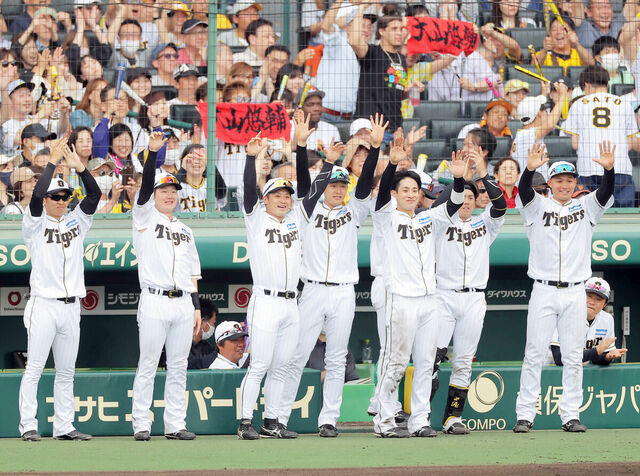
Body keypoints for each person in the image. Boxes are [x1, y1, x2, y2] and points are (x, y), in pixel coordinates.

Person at [279, 113, 384, 438]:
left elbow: (365, 183)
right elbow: (301, 180)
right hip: (311, 290)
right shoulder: (309, 209)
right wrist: (301, 146)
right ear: (325, 186)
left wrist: (376, 150)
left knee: (337, 357)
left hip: (342, 292)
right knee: (298, 354)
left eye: (342, 185)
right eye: (334, 185)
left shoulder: (354, 210)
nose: (338, 190)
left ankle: (329, 419)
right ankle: (280, 417)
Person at [237, 114, 335, 440]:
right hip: (265, 300)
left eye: (286, 195)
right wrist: (252, 159)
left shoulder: (296, 218)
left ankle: (272, 422)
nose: (283, 198)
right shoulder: (256, 218)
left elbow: (307, 189)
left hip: (291, 303)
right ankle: (245, 422)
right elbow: (249, 194)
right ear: (265, 199)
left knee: (282, 365)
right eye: (276, 194)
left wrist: (301, 146)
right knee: (260, 363)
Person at [513, 141, 615, 434]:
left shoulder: (586, 208)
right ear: (550, 183)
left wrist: (609, 170)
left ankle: (570, 415)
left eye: (569, 180)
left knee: (572, 356)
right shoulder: (536, 206)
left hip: (574, 291)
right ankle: (525, 415)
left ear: (575, 183)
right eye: (558, 180)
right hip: (543, 288)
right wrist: (529, 169)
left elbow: (605, 193)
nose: (564, 185)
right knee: (533, 353)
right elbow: (522, 192)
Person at [371, 138, 467, 438]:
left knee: (426, 362)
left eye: (415, 190)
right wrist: (392, 164)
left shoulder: (429, 218)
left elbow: (453, 202)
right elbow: (380, 199)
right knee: (395, 362)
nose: (411, 194)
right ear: (394, 194)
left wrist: (460, 178)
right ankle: (385, 421)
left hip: (429, 301)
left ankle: (420, 420)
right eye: (405, 190)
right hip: (401, 299)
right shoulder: (386, 217)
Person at [18, 137, 101, 441]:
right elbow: (38, 192)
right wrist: (52, 162)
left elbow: (94, 195)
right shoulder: (35, 224)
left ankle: (63, 426)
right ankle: (28, 425)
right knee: (36, 367)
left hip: (71, 306)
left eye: (65, 196)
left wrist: (81, 169)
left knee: (67, 371)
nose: (61, 201)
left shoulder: (76, 221)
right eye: (56, 196)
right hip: (44, 304)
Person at [429, 147, 507, 435]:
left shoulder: (485, 224)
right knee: (432, 358)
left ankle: (453, 418)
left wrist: (483, 174)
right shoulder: (439, 220)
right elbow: (449, 201)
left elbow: (500, 205)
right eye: (462, 197)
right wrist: (458, 181)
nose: (466, 201)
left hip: (474, 297)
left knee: (463, 360)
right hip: (443, 296)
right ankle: (420, 415)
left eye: (472, 198)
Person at [130, 131, 202, 442]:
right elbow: (145, 185)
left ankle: (175, 423)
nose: (169, 194)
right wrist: (152, 154)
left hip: (183, 302)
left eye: (173, 190)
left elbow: (193, 273)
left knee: (178, 366)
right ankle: (141, 424)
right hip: (155, 299)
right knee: (148, 363)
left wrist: (197, 307)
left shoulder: (185, 229)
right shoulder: (144, 216)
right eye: (164, 190)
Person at [563, 66, 636, 207]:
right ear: (607, 84)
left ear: (586, 85)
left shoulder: (578, 104)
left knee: (592, 217)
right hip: (619, 167)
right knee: (622, 217)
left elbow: (575, 144)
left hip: (589, 167)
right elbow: (631, 143)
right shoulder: (624, 104)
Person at [350, 14, 407, 143]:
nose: (399, 33)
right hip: (370, 129)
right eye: (394, 29)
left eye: (401, 29)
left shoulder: (401, 58)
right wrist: (360, 8)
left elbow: (397, 93)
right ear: (381, 31)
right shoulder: (372, 52)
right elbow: (354, 41)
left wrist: (399, 127)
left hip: (394, 130)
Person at [550, 277, 628, 366]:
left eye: (598, 299)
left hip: (579, 370)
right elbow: (559, 359)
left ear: (605, 304)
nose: (592, 302)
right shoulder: (563, 316)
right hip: (548, 369)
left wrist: (606, 357)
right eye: (589, 296)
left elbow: (597, 358)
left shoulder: (607, 320)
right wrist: (596, 351)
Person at [511, 82, 570, 179]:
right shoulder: (527, 134)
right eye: (544, 111)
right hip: (532, 188)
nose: (546, 114)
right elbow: (550, 124)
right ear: (539, 113)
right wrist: (563, 95)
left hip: (534, 186)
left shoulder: (523, 134)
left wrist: (544, 92)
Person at [188, 298, 218, 370]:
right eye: (213, 323)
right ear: (202, 322)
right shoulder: (180, 344)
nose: (213, 327)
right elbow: (192, 365)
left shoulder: (207, 347)